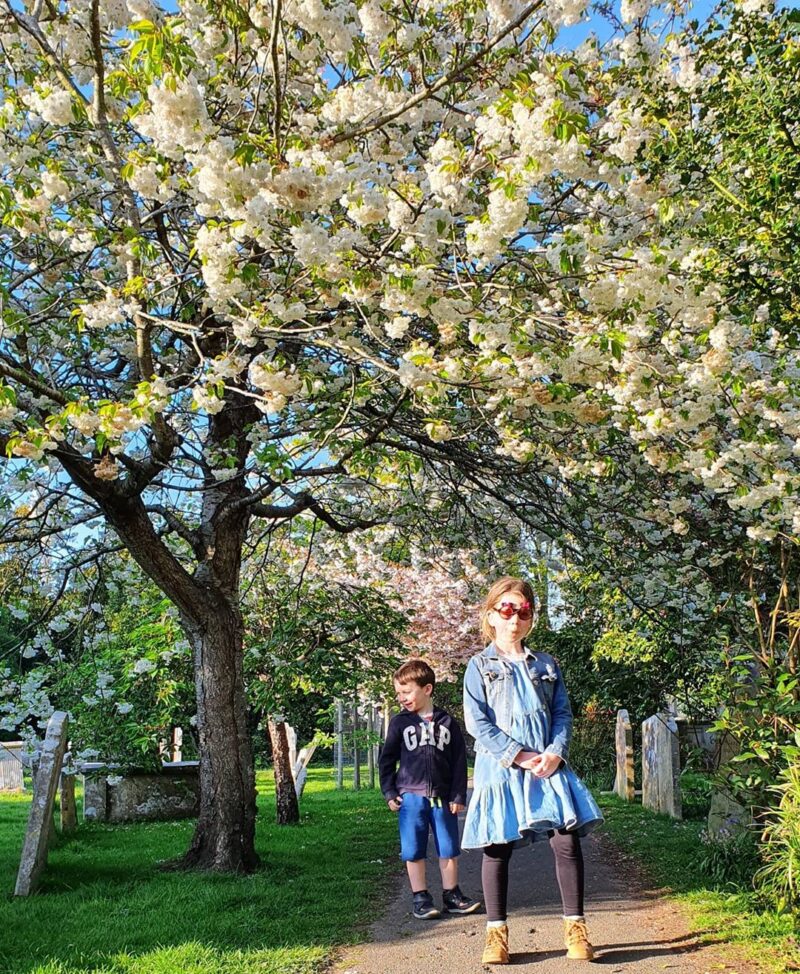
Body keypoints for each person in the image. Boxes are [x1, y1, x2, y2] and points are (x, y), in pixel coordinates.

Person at [462, 577, 603, 964]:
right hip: (502, 768)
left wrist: (555, 753)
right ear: (491, 615)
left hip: (547, 766)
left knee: (566, 841)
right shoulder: (479, 666)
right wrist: (518, 755)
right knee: (497, 848)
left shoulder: (546, 664)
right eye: (506, 610)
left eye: (522, 611)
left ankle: (576, 931)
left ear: (530, 618)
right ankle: (496, 937)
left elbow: (562, 714)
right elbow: (477, 723)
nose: (514, 619)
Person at [379, 658, 481, 920]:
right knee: (413, 848)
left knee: (448, 847)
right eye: (398, 693)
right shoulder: (399, 723)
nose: (401, 698)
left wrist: (458, 795)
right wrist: (390, 792)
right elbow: (387, 760)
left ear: (427, 689)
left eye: (407, 691)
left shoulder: (447, 723)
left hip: (444, 798)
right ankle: (420, 897)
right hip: (411, 798)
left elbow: (459, 762)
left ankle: (452, 895)